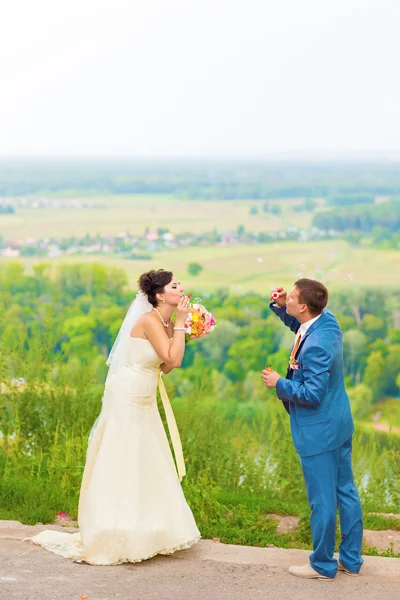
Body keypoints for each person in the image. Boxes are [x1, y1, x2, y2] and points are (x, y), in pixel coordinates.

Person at [30, 269, 200, 565]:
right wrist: (183, 326)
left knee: (147, 456)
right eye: (175, 285)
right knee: (123, 455)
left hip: (145, 394)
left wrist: (182, 330)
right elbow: (173, 359)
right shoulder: (148, 320)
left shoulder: (166, 320)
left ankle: (147, 526)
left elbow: (166, 367)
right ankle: (114, 527)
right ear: (160, 295)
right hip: (128, 394)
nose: (181, 288)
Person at [262, 278, 363, 581]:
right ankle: (351, 560)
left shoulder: (317, 344)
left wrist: (279, 383)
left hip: (320, 432)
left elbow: (312, 394)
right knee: (345, 490)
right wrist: (279, 306)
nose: (286, 298)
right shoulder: (326, 322)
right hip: (339, 423)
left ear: (304, 306)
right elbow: (299, 327)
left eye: (291, 297)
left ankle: (322, 564)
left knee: (322, 499)